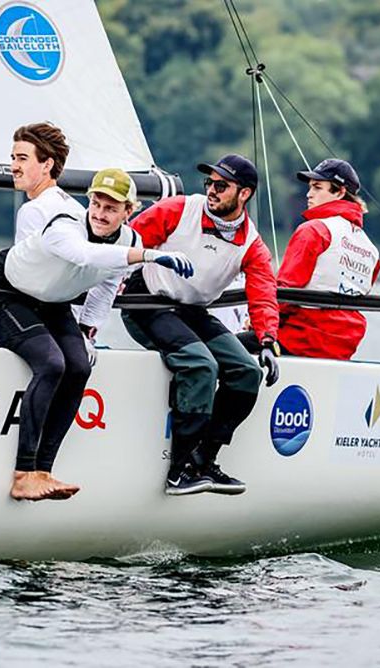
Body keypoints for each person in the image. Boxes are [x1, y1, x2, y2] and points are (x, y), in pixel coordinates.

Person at [0, 159, 194, 502]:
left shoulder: (129, 238)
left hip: (51, 301)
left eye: (111, 208)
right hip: (6, 292)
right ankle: (23, 474)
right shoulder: (66, 225)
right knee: (51, 364)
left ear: (128, 211)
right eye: (96, 204)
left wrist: (85, 331)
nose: (100, 213)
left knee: (79, 365)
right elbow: (86, 256)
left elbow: (106, 287)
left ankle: (43, 471)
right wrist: (148, 256)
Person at [122, 154, 280, 497]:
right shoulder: (178, 210)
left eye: (221, 185)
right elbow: (124, 242)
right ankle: (177, 471)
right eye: (209, 182)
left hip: (191, 311)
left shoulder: (251, 243)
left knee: (246, 372)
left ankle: (204, 461)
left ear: (244, 194)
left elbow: (263, 292)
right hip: (147, 304)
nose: (211, 190)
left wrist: (267, 341)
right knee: (201, 365)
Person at [276, 158, 380, 360]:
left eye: (317, 187)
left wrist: (257, 323)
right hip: (342, 349)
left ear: (340, 192)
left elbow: (285, 291)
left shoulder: (313, 230)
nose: (309, 194)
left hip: (298, 342)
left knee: (223, 351)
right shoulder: (372, 251)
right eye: (309, 187)